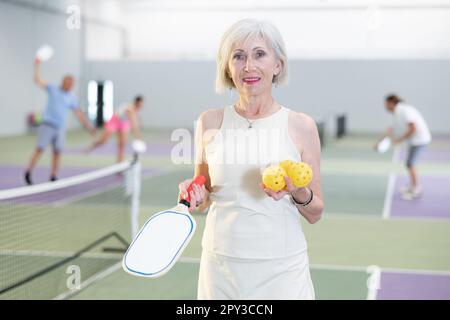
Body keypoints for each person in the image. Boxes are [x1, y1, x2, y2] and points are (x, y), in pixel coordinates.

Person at [178, 19, 324, 300]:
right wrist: (194, 193)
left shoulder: (302, 126)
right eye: (238, 56)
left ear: (277, 65)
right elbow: (205, 194)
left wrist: (296, 191)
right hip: (221, 267)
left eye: (259, 54)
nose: (248, 66)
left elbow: (315, 212)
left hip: (282, 270)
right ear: (227, 68)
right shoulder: (209, 121)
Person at [24, 59, 96, 185]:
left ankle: (53, 176)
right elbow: (37, 80)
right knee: (39, 149)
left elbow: (78, 113)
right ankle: (28, 172)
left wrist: (89, 127)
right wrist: (37, 65)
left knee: (57, 152)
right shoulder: (52, 89)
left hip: (60, 128)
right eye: (68, 83)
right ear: (63, 82)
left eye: (72, 84)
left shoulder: (71, 97)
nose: (70, 85)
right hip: (48, 125)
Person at [376, 94, 432, 200]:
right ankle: (412, 186)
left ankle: (416, 189)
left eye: (386, 104)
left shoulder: (404, 111)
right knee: (409, 164)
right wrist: (380, 141)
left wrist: (400, 140)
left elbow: (413, 128)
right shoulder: (397, 112)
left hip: (420, 140)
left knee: (410, 164)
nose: (385, 107)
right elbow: (391, 129)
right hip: (414, 141)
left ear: (391, 103)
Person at [87, 96, 144, 163]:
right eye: (140, 104)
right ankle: (91, 147)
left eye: (142, 104)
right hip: (114, 121)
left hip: (123, 124)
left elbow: (135, 121)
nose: (141, 106)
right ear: (136, 103)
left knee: (122, 145)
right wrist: (138, 137)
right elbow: (134, 123)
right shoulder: (130, 108)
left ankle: (119, 164)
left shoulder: (136, 110)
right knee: (103, 141)